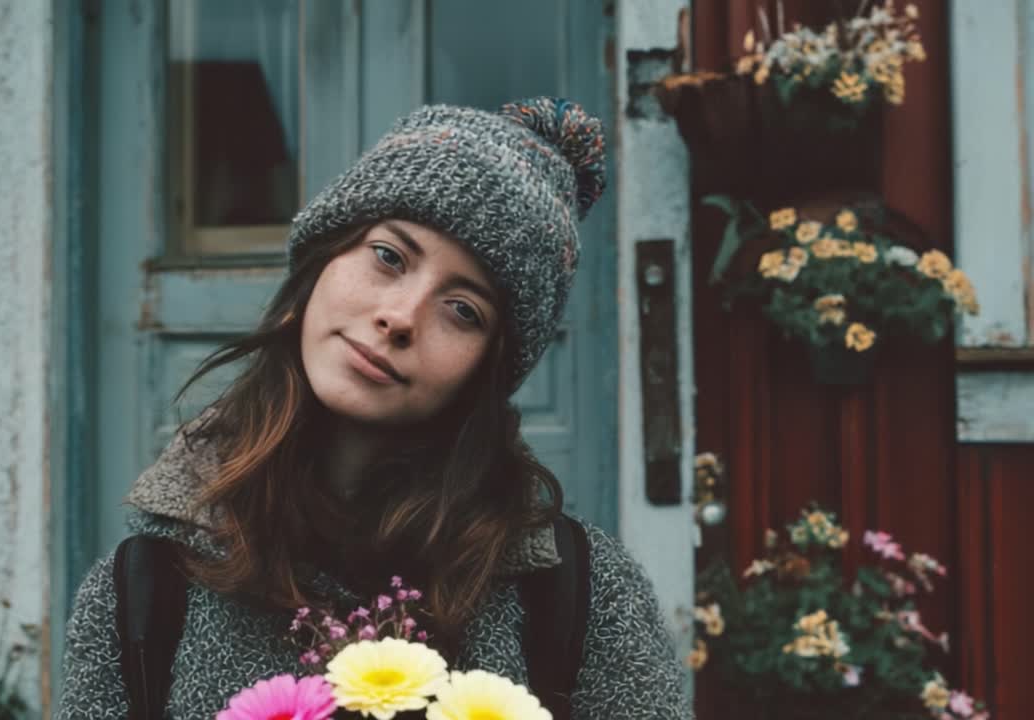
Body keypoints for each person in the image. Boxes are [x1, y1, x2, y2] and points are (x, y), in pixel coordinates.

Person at [57, 97, 691, 719]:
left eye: (463, 310)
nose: (400, 317)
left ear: (487, 372)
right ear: (318, 265)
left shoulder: (578, 595)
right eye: (389, 257)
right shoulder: (145, 591)